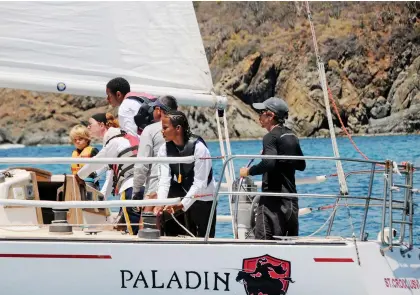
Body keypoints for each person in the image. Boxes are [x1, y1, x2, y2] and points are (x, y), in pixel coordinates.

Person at [239, 97, 306, 239]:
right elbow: (301, 165)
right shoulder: (292, 135)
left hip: (272, 203)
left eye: (261, 112)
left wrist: (248, 171)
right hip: (291, 201)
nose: (259, 116)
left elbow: (268, 164)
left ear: (270, 116)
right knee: (289, 245)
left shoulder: (270, 138)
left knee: (263, 245)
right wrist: (279, 156)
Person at [75, 113, 141, 235]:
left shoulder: (114, 141)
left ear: (101, 125)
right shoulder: (124, 137)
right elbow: (108, 169)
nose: (88, 127)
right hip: (144, 185)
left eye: (90, 124)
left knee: (135, 232)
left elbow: (98, 161)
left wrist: (79, 175)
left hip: (131, 187)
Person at [154, 110, 216, 238]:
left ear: (178, 128)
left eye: (165, 128)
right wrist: (160, 203)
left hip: (202, 197)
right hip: (181, 195)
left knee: (204, 239)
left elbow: (200, 182)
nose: (162, 131)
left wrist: (183, 204)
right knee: (174, 235)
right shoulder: (164, 149)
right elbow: (164, 180)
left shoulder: (199, 148)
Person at [132, 95, 179, 216]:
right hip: (180, 187)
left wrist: (136, 191)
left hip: (156, 186)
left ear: (158, 110)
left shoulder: (150, 130)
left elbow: (141, 165)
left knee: (147, 223)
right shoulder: (182, 129)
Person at [69, 124, 99, 190]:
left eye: (80, 139)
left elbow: (101, 167)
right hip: (76, 183)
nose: (77, 141)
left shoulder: (93, 151)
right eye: (75, 139)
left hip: (90, 183)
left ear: (87, 139)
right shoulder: (74, 153)